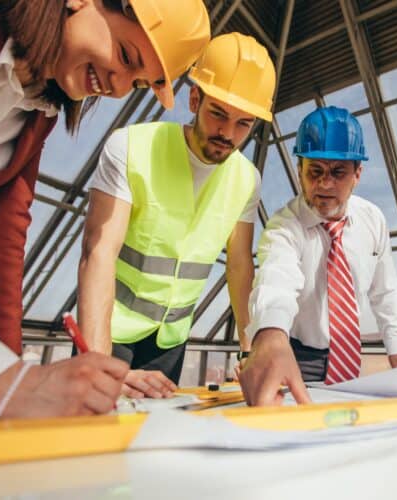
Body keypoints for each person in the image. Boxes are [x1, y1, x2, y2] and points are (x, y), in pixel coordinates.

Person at [0, 0, 210, 418]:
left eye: (137, 83)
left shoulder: (34, 114)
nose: (120, 88)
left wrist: (14, 383)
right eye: (126, 56)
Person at [77, 32, 276, 399]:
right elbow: (98, 252)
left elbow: (239, 266)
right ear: (195, 98)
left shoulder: (247, 179)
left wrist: (250, 350)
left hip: (170, 341)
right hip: (108, 329)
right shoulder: (131, 146)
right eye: (218, 114)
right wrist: (96, 361)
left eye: (244, 124)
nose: (227, 134)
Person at [239, 106, 397, 407]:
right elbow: (276, 279)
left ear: (358, 174)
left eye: (338, 172)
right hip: (297, 356)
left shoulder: (373, 219)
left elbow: (384, 289)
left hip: (351, 357)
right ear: (299, 170)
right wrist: (272, 335)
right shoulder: (284, 226)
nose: (325, 184)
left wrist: (396, 349)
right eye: (315, 171)